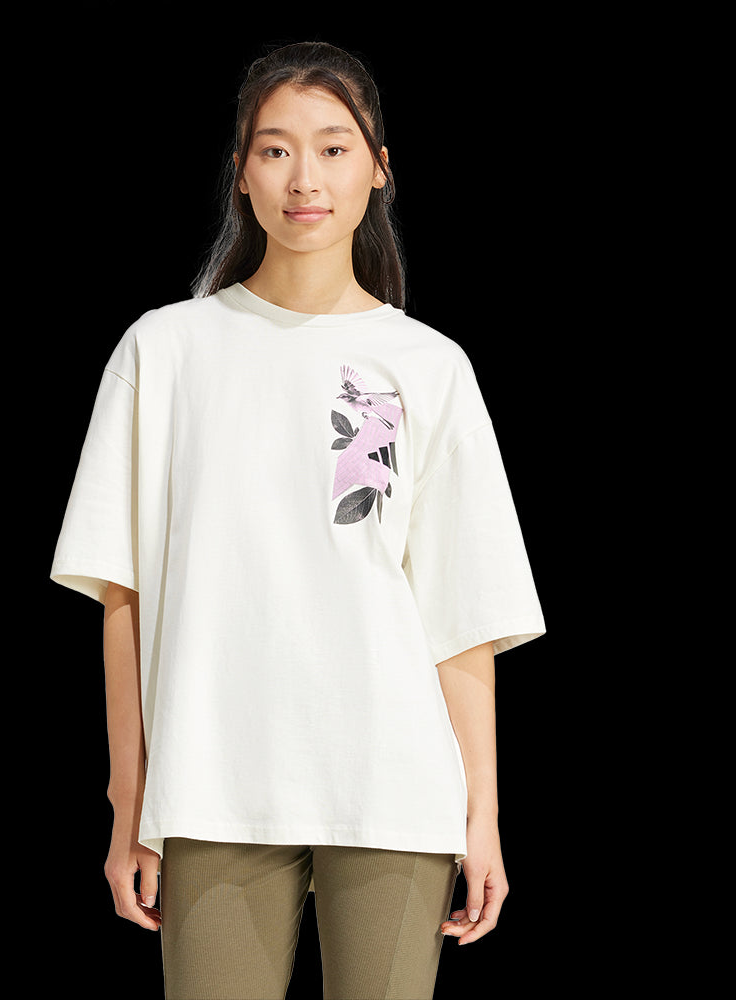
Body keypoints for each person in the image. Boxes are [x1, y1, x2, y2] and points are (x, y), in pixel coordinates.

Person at [50, 40, 546, 1000]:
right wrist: (129, 800)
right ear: (241, 172)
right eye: (275, 150)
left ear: (379, 169)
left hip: (394, 783)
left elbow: (461, 616)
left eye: (333, 148)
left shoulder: (429, 365)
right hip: (211, 781)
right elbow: (123, 593)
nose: (304, 178)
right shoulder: (166, 350)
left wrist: (481, 814)